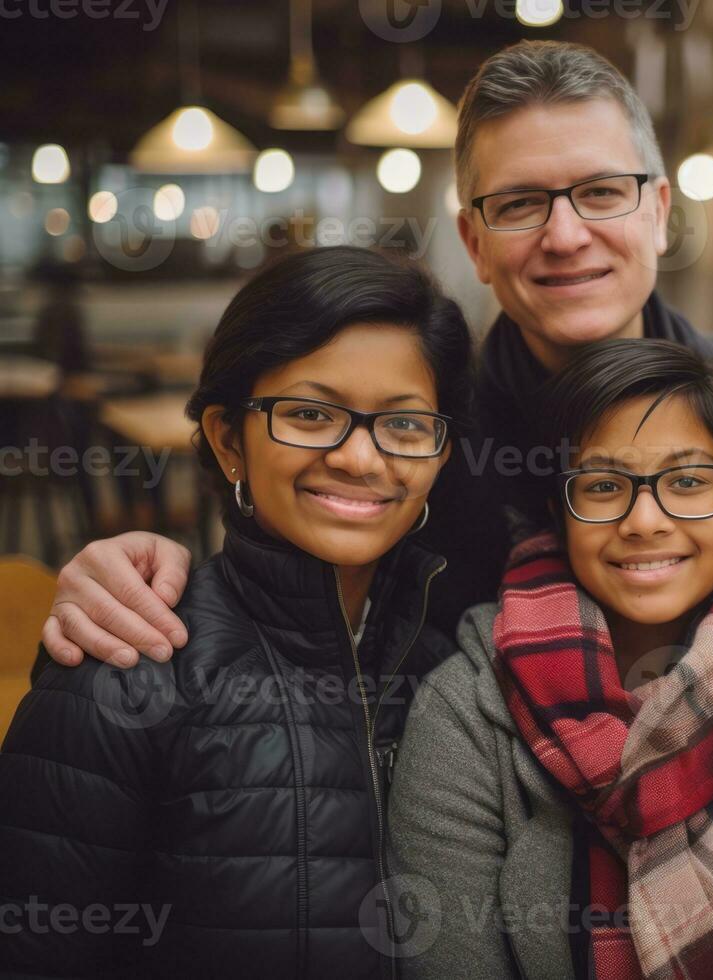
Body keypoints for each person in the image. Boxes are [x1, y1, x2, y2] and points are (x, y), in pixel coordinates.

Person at [37, 39, 713, 672]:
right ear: (473, 243)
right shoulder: (412, 430)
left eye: (602, 192)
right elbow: (279, 588)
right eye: (519, 204)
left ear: (660, 213)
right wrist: (131, 571)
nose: (565, 235)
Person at [0, 247, 473, 977]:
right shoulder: (126, 664)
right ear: (228, 441)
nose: (359, 457)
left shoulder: (448, 671)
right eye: (311, 414)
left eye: (405, 425)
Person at [387, 339, 713, 979]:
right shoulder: (463, 717)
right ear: (558, 515)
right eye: (602, 485)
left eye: (687, 481)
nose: (645, 520)